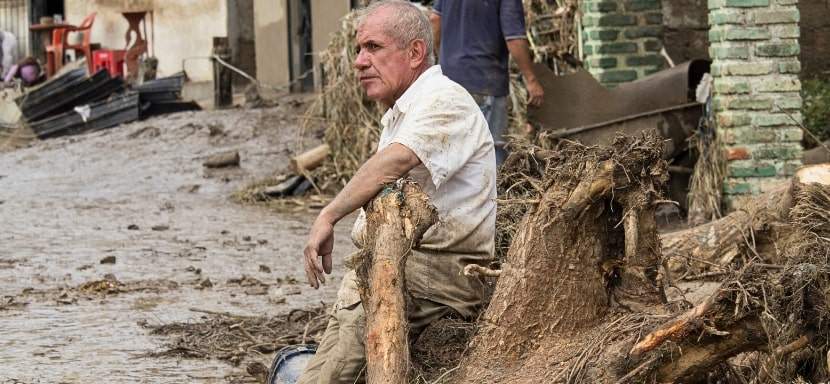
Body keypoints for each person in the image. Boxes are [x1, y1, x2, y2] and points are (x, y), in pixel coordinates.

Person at [298, 1, 496, 383]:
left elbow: (396, 162)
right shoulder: (404, 110)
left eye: (372, 47)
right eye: (358, 49)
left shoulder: (444, 99)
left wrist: (327, 215)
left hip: (428, 277)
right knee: (313, 375)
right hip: (384, 269)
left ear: (415, 52)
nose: (358, 61)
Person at [429, 0, 545, 165]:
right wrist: (531, 80)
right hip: (485, 82)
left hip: (449, 82)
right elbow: (514, 39)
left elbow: (434, 19)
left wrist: (445, 58)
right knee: (489, 156)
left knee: (452, 153)